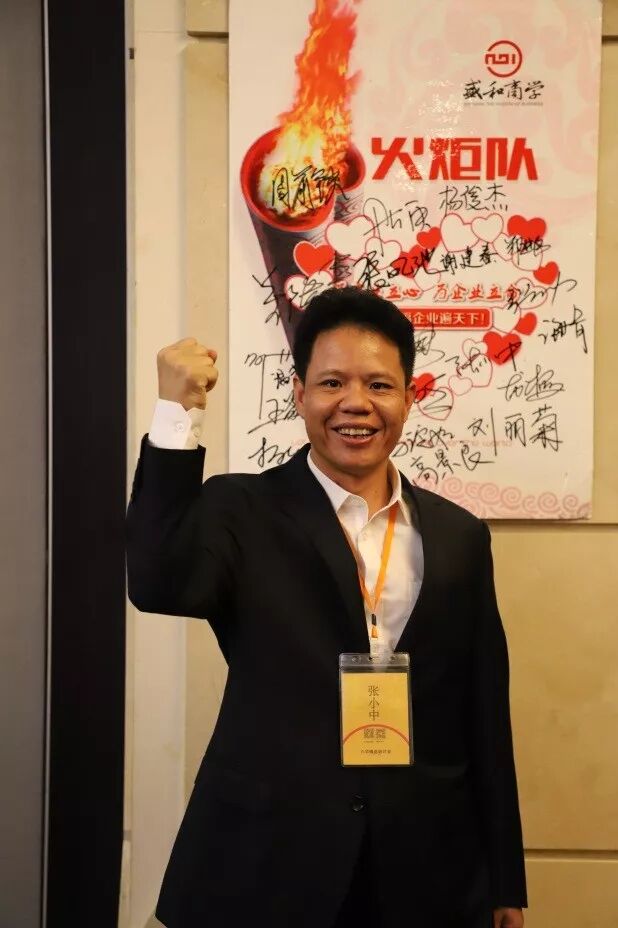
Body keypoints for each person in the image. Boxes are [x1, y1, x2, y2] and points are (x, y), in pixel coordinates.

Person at [126, 286, 526, 928]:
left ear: (409, 397)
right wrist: (177, 412)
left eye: (379, 385)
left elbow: (484, 709)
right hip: (268, 858)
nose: (355, 404)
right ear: (299, 394)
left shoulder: (460, 536)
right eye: (332, 382)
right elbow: (157, 583)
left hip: (424, 866)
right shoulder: (241, 509)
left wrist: (505, 877)